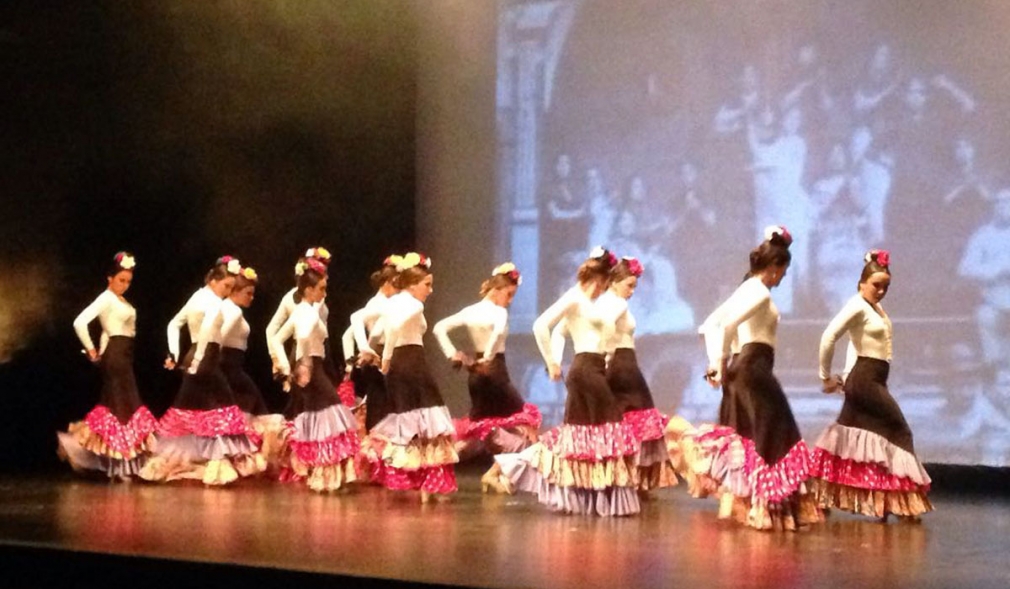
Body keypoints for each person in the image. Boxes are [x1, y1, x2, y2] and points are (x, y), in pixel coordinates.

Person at [689, 227, 821, 530]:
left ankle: (752, 507)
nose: (783, 278)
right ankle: (766, 509)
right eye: (783, 272)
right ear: (774, 267)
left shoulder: (745, 288)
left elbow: (710, 326)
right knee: (774, 436)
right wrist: (717, 365)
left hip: (740, 369)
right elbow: (722, 326)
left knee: (750, 436)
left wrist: (717, 364)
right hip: (753, 368)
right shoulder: (759, 291)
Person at [497, 247, 641, 517]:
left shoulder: (587, 304)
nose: (603, 291)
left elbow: (578, 334)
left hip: (592, 369)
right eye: (605, 285)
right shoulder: (575, 298)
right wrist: (552, 360)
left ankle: (587, 499)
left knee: (583, 435)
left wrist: (607, 357)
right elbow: (541, 325)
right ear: (599, 281)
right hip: (585, 370)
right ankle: (524, 468)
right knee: (606, 429)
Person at [809, 250, 933, 521]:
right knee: (899, 431)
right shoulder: (857, 305)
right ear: (861, 283)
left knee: (844, 436)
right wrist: (825, 377)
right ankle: (904, 503)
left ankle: (822, 496)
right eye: (876, 285)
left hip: (868, 377)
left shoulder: (873, 307)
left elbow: (856, 344)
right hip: (865, 380)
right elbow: (829, 336)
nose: (881, 291)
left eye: (885, 286)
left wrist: (845, 374)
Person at [141, 256, 263, 485]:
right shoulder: (215, 303)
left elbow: (174, 324)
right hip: (205, 359)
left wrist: (175, 354)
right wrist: (197, 360)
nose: (228, 292)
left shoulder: (196, 297)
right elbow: (207, 330)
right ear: (214, 280)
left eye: (230, 287)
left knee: (192, 412)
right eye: (226, 286)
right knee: (222, 412)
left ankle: (172, 464)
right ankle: (215, 468)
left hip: (198, 358)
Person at [431, 262, 541, 492]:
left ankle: (435, 469)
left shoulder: (469, 311)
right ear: (497, 289)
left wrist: (454, 354)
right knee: (527, 428)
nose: (509, 301)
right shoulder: (498, 312)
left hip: (476, 377)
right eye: (509, 294)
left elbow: (439, 328)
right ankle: (492, 473)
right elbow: (499, 330)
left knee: (478, 429)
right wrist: (488, 357)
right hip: (495, 374)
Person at [360, 253, 458, 502]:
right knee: (429, 420)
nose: (430, 290)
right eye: (427, 284)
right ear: (413, 284)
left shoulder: (391, 302)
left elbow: (375, 330)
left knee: (410, 421)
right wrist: (385, 358)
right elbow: (391, 329)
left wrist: (372, 351)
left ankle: (421, 482)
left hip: (397, 369)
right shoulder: (415, 304)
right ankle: (429, 484)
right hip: (412, 362)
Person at [59, 252, 156, 479]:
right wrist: (92, 350)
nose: (125, 285)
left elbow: (108, 331)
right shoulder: (106, 298)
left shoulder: (120, 301)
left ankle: (120, 464)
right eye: (121, 280)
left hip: (123, 355)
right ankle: (120, 466)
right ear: (109, 278)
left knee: (121, 408)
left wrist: (101, 350)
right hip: (116, 357)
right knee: (123, 408)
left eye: (128, 281)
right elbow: (80, 322)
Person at [272, 258, 360, 492]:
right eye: (321, 288)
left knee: (318, 418)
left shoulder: (304, 309)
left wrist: (285, 365)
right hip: (313, 369)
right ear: (309, 289)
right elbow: (300, 337)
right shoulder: (308, 313)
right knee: (332, 416)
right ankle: (326, 477)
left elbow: (277, 339)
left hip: (310, 367)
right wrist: (305, 364)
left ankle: (323, 476)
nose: (324, 292)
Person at [219, 266, 285, 469]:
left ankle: (240, 460)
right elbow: (219, 337)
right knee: (252, 408)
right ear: (234, 292)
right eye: (248, 293)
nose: (251, 297)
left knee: (246, 410)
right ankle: (243, 460)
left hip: (232, 366)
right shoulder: (234, 311)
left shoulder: (226, 308)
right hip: (230, 368)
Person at [340, 255, 401, 432]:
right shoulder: (378, 303)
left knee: (382, 403)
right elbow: (352, 334)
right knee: (380, 406)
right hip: (379, 358)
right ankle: (377, 447)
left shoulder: (384, 302)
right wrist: (365, 351)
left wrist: (353, 360)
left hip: (381, 357)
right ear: (388, 282)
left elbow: (347, 335)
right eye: (397, 285)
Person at [959, 188, 1010, 384]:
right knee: (985, 317)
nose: (1004, 207)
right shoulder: (983, 235)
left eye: (1008, 202)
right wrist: (994, 271)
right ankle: (996, 371)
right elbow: (965, 268)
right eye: (1000, 203)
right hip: (995, 300)